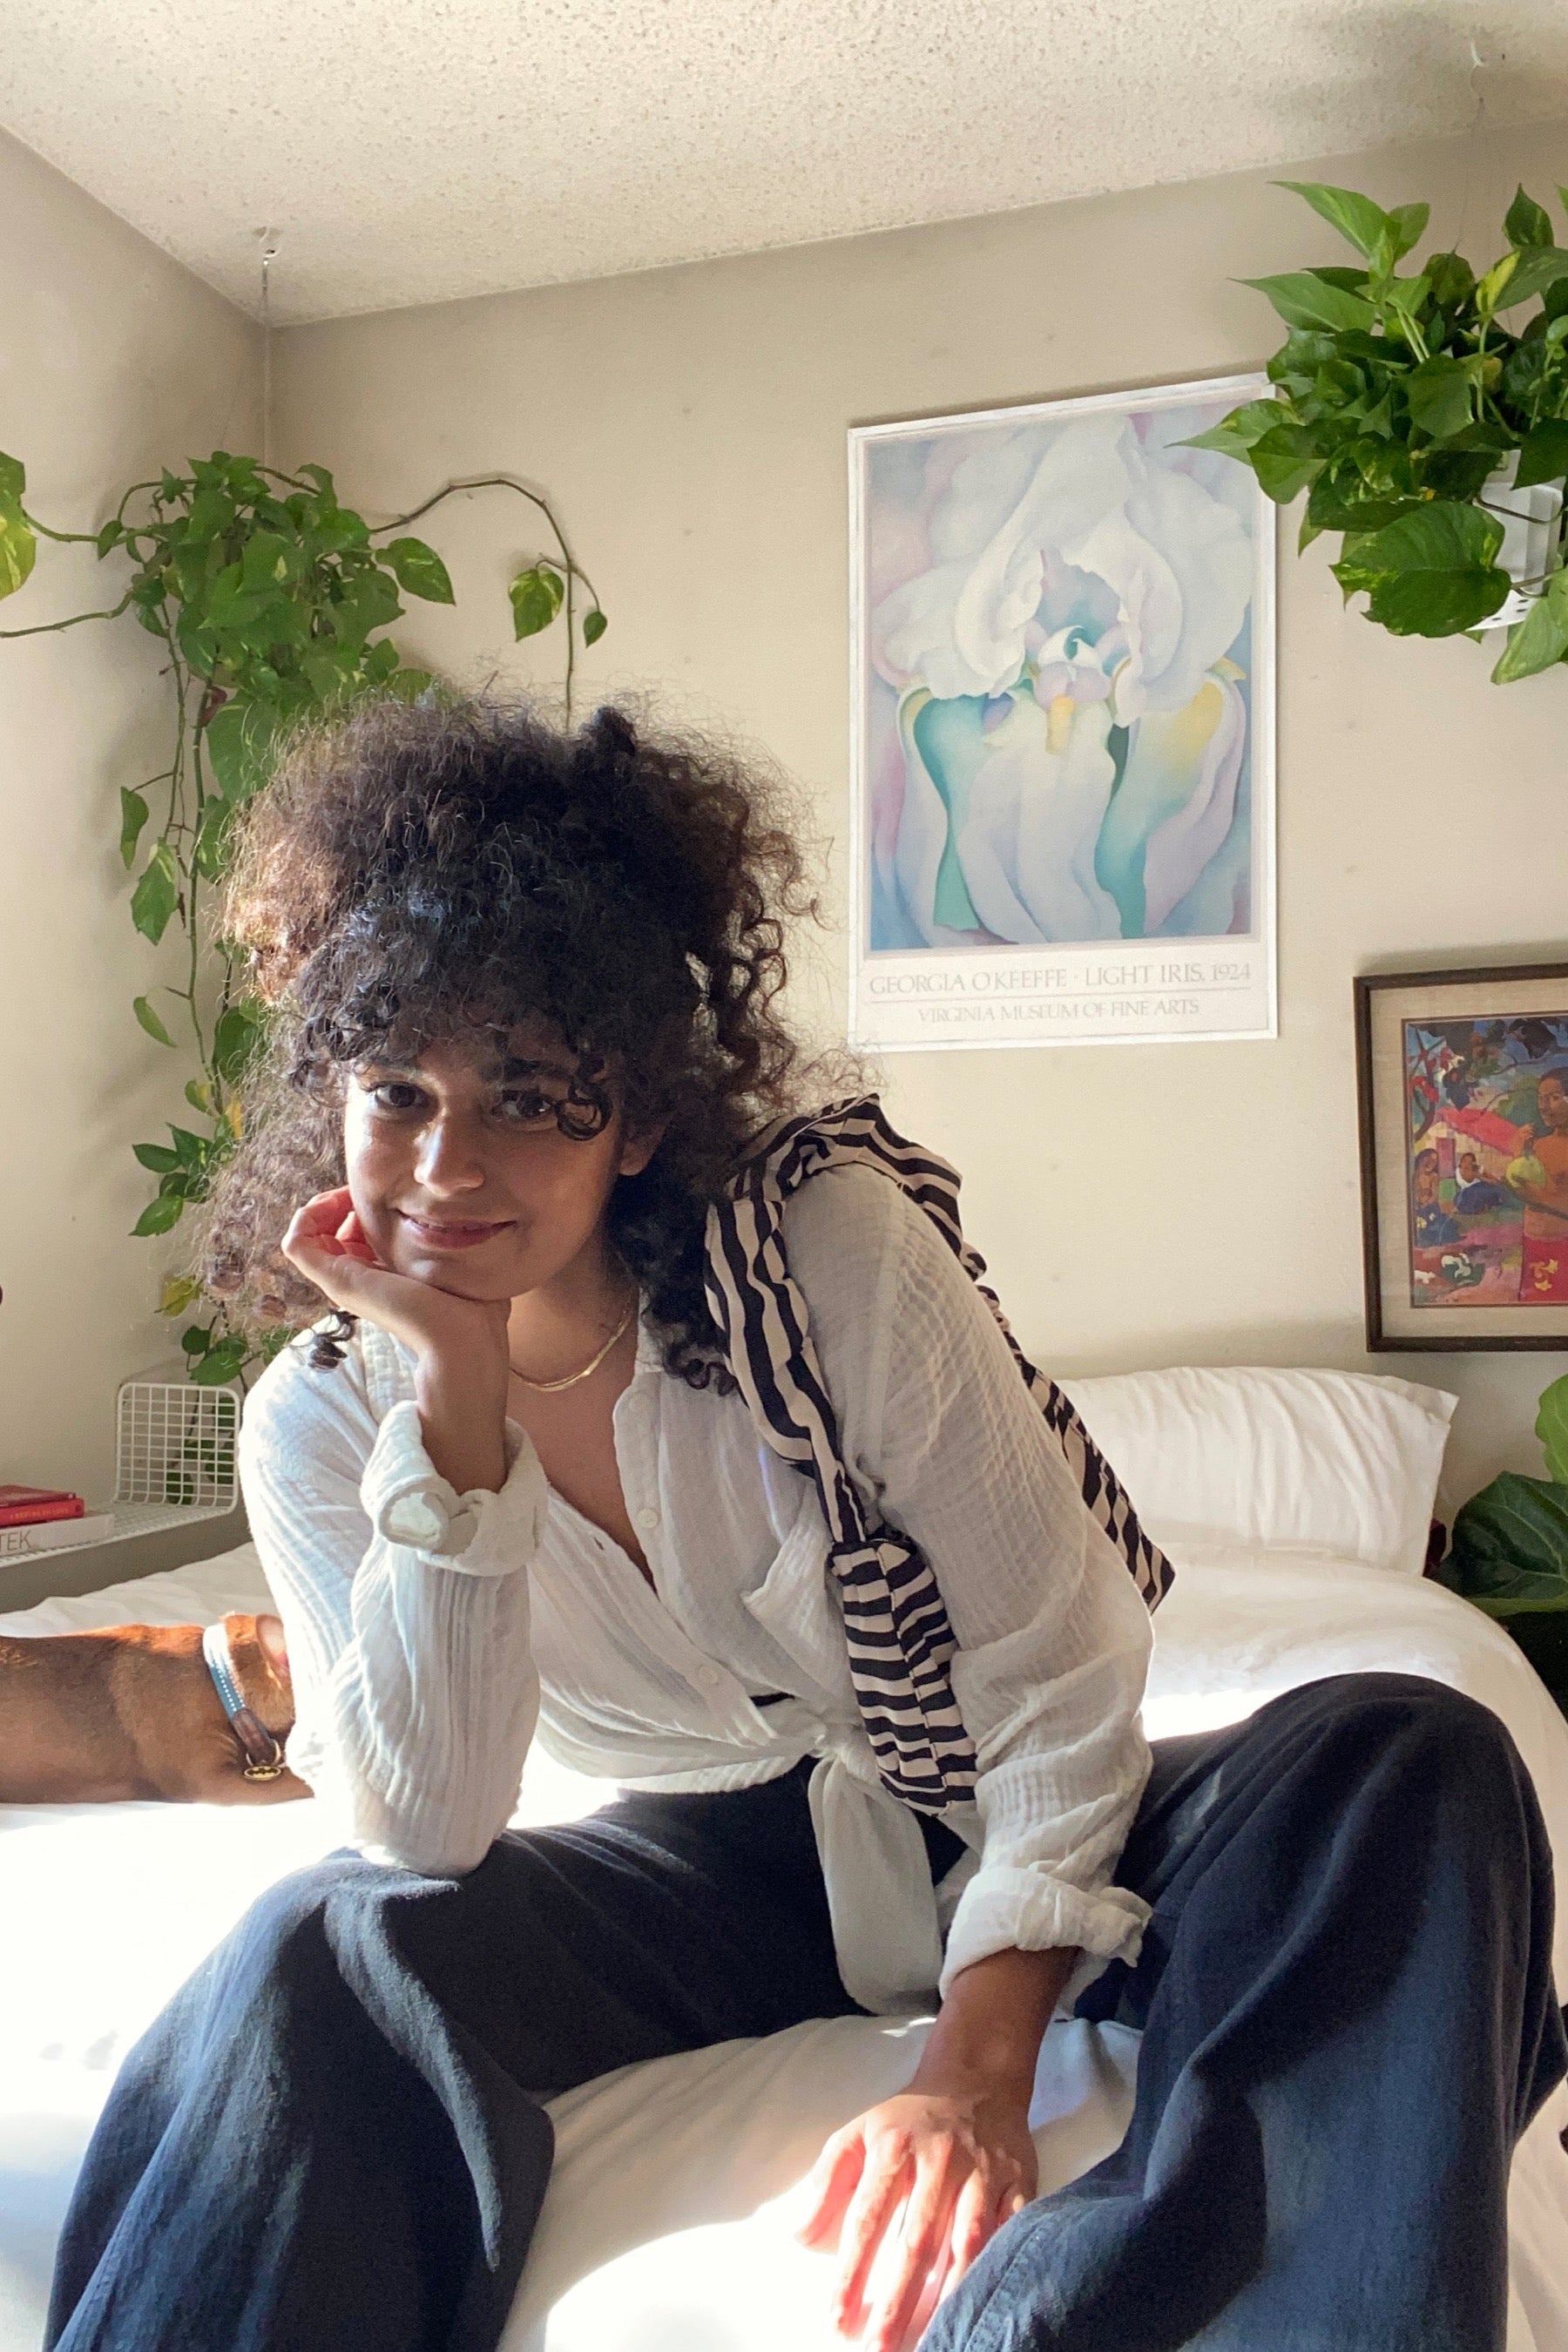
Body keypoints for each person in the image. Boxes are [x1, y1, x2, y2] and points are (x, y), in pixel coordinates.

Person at [45, 698, 1565, 2352]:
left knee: (1406, 1756)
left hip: (996, 1819)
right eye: (397, 1090)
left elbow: (1059, 1685)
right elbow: (429, 1825)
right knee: (320, 1941)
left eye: (530, 1096)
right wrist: (455, 1402)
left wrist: (974, 2075)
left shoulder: (825, 1255)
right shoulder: (321, 1418)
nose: (447, 1163)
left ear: (635, 1119)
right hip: (701, 1873)